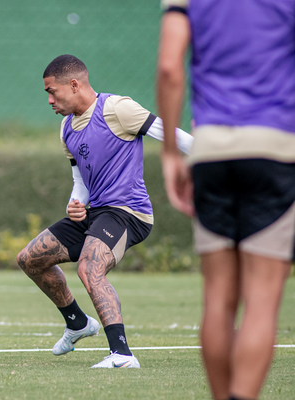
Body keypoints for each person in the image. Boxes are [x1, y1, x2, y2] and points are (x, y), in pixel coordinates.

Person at [17, 54, 192, 368]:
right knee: (30, 259)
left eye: (51, 91)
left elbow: (170, 134)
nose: (49, 100)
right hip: (94, 212)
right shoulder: (66, 129)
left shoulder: (116, 109)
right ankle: (77, 323)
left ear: (74, 85)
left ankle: (122, 355)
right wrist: (76, 201)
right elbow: (80, 180)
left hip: (128, 212)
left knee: (89, 268)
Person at [157, 1, 295, 399]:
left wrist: (170, 153)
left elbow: (169, 67)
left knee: (218, 299)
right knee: (262, 300)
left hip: (212, 149)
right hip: (276, 147)